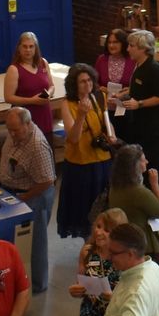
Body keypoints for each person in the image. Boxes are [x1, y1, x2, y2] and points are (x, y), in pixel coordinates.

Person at [0, 108, 57, 295]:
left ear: (28, 124)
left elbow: (47, 180)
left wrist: (25, 197)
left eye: (16, 130)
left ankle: (38, 286)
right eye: (9, 130)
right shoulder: (16, 134)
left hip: (33, 197)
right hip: (15, 192)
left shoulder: (37, 146)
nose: (12, 134)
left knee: (36, 243)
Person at [54, 63, 117, 240]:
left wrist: (112, 135)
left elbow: (106, 122)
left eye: (89, 80)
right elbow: (73, 138)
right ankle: (88, 244)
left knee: (102, 207)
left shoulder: (99, 97)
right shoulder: (67, 104)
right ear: (74, 84)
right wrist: (81, 115)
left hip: (102, 160)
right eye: (82, 82)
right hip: (80, 164)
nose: (87, 85)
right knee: (84, 210)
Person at [91, 224, 159, 316]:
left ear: (130, 254)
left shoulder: (136, 291)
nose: (109, 257)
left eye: (113, 253)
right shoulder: (154, 267)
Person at [113, 30, 159, 189]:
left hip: (151, 126)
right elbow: (138, 88)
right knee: (139, 159)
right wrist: (123, 94)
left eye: (131, 46)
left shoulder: (154, 69)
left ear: (143, 48)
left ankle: (155, 193)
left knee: (151, 160)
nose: (128, 49)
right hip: (137, 123)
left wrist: (140, 104)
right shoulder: (138, 65)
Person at [71, 209, 128, 316]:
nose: (99, 232)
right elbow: (81, 282)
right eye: (98, 226)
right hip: (89, 315)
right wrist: (75, 291)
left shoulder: (124, 259)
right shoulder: (87, 252)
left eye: (107, 230)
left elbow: (131, 294)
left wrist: (113, 298)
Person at [105, 144, 159, 271]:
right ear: (135, 165)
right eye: (143, 159)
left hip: (124, 239)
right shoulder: (139, 192)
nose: (147, 162)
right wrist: (155, 185)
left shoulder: (115, 187)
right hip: (144, 245)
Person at [96, 27, 134, 100]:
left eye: (115, 42)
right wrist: (100, 88)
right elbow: (94, 82)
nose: (111, 45)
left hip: (126, 105)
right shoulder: (102, 59)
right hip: (105, 103)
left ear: (123, 43)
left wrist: (129, 90)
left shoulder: (132, 60)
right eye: (109, 42)